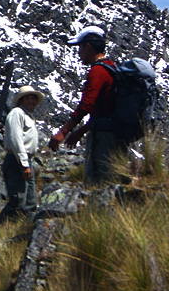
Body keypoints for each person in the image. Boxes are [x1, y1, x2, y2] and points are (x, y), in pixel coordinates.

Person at [50, 25, 122, 186]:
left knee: (98, 181)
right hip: (114, 132)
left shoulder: (98, 71)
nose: (79, 53)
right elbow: (102, 110)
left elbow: (86, 105)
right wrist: (81, 131)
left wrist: (63, 132)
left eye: (80, 47)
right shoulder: (112, 67)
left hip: (103, 136)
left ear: (88, 47)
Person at [0, 84, 44, 223]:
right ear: (21, 101)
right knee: (18, 199)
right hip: (16, 160)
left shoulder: (28, 116)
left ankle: (24, 229)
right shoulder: (17, 113)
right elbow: (16, 139)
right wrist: (24, 165)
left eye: (33, 99)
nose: (31, 101)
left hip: (26, 160)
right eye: (27, 98)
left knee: (30, 201)